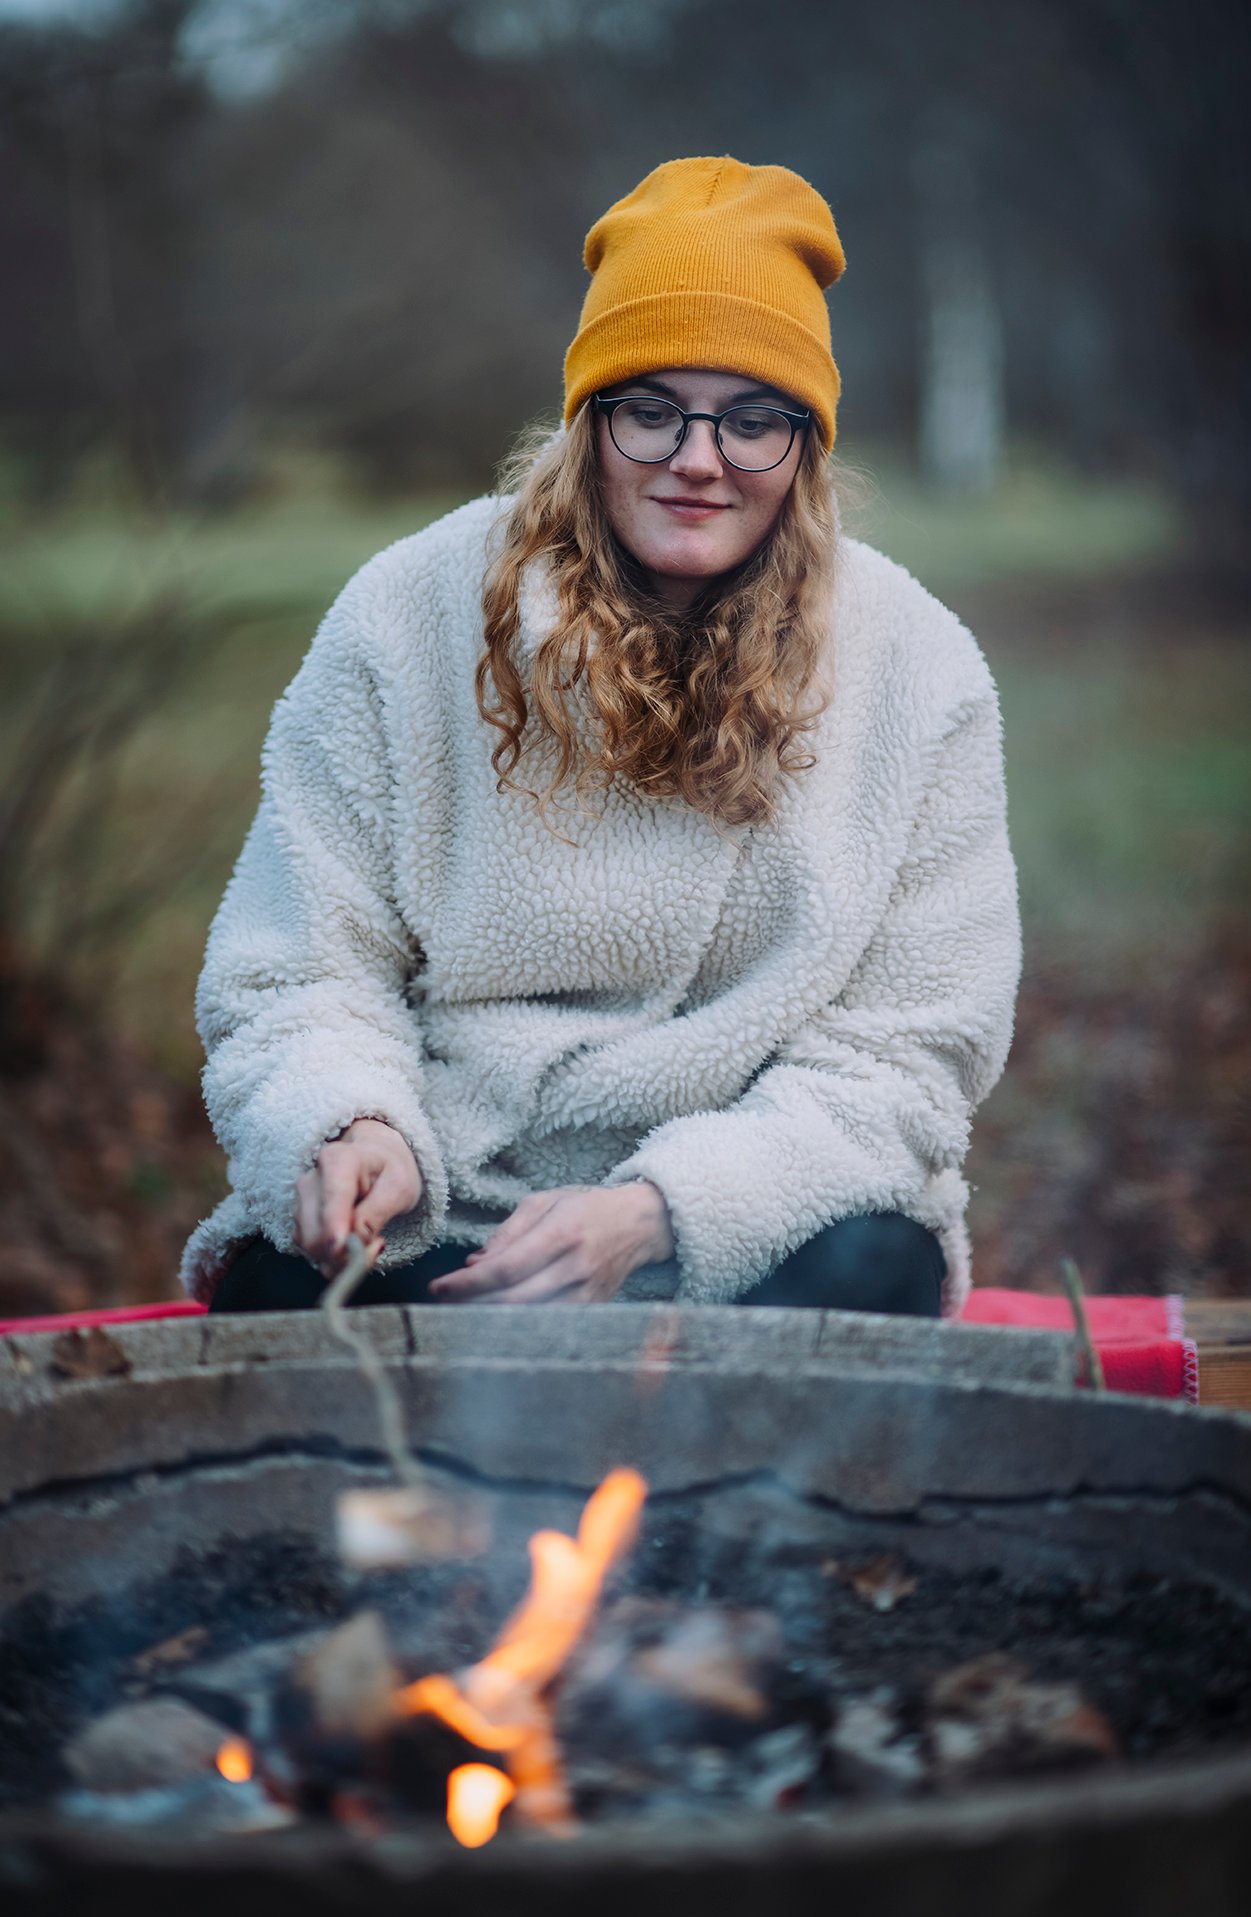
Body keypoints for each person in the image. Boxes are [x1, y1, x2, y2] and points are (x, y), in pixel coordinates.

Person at [185, 155, 1021, 1321]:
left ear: (808, 443)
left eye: (753, 419)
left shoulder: (918, 671)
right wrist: (352, 1118)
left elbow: (909, 1054)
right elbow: (299, 961)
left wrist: (664, 1211)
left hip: (748, 1230)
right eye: (652, 408)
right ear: (590, 419)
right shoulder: (408, 614)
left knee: (876, 1271)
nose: (697, 458)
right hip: (455, 1210)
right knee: (283, 1285)